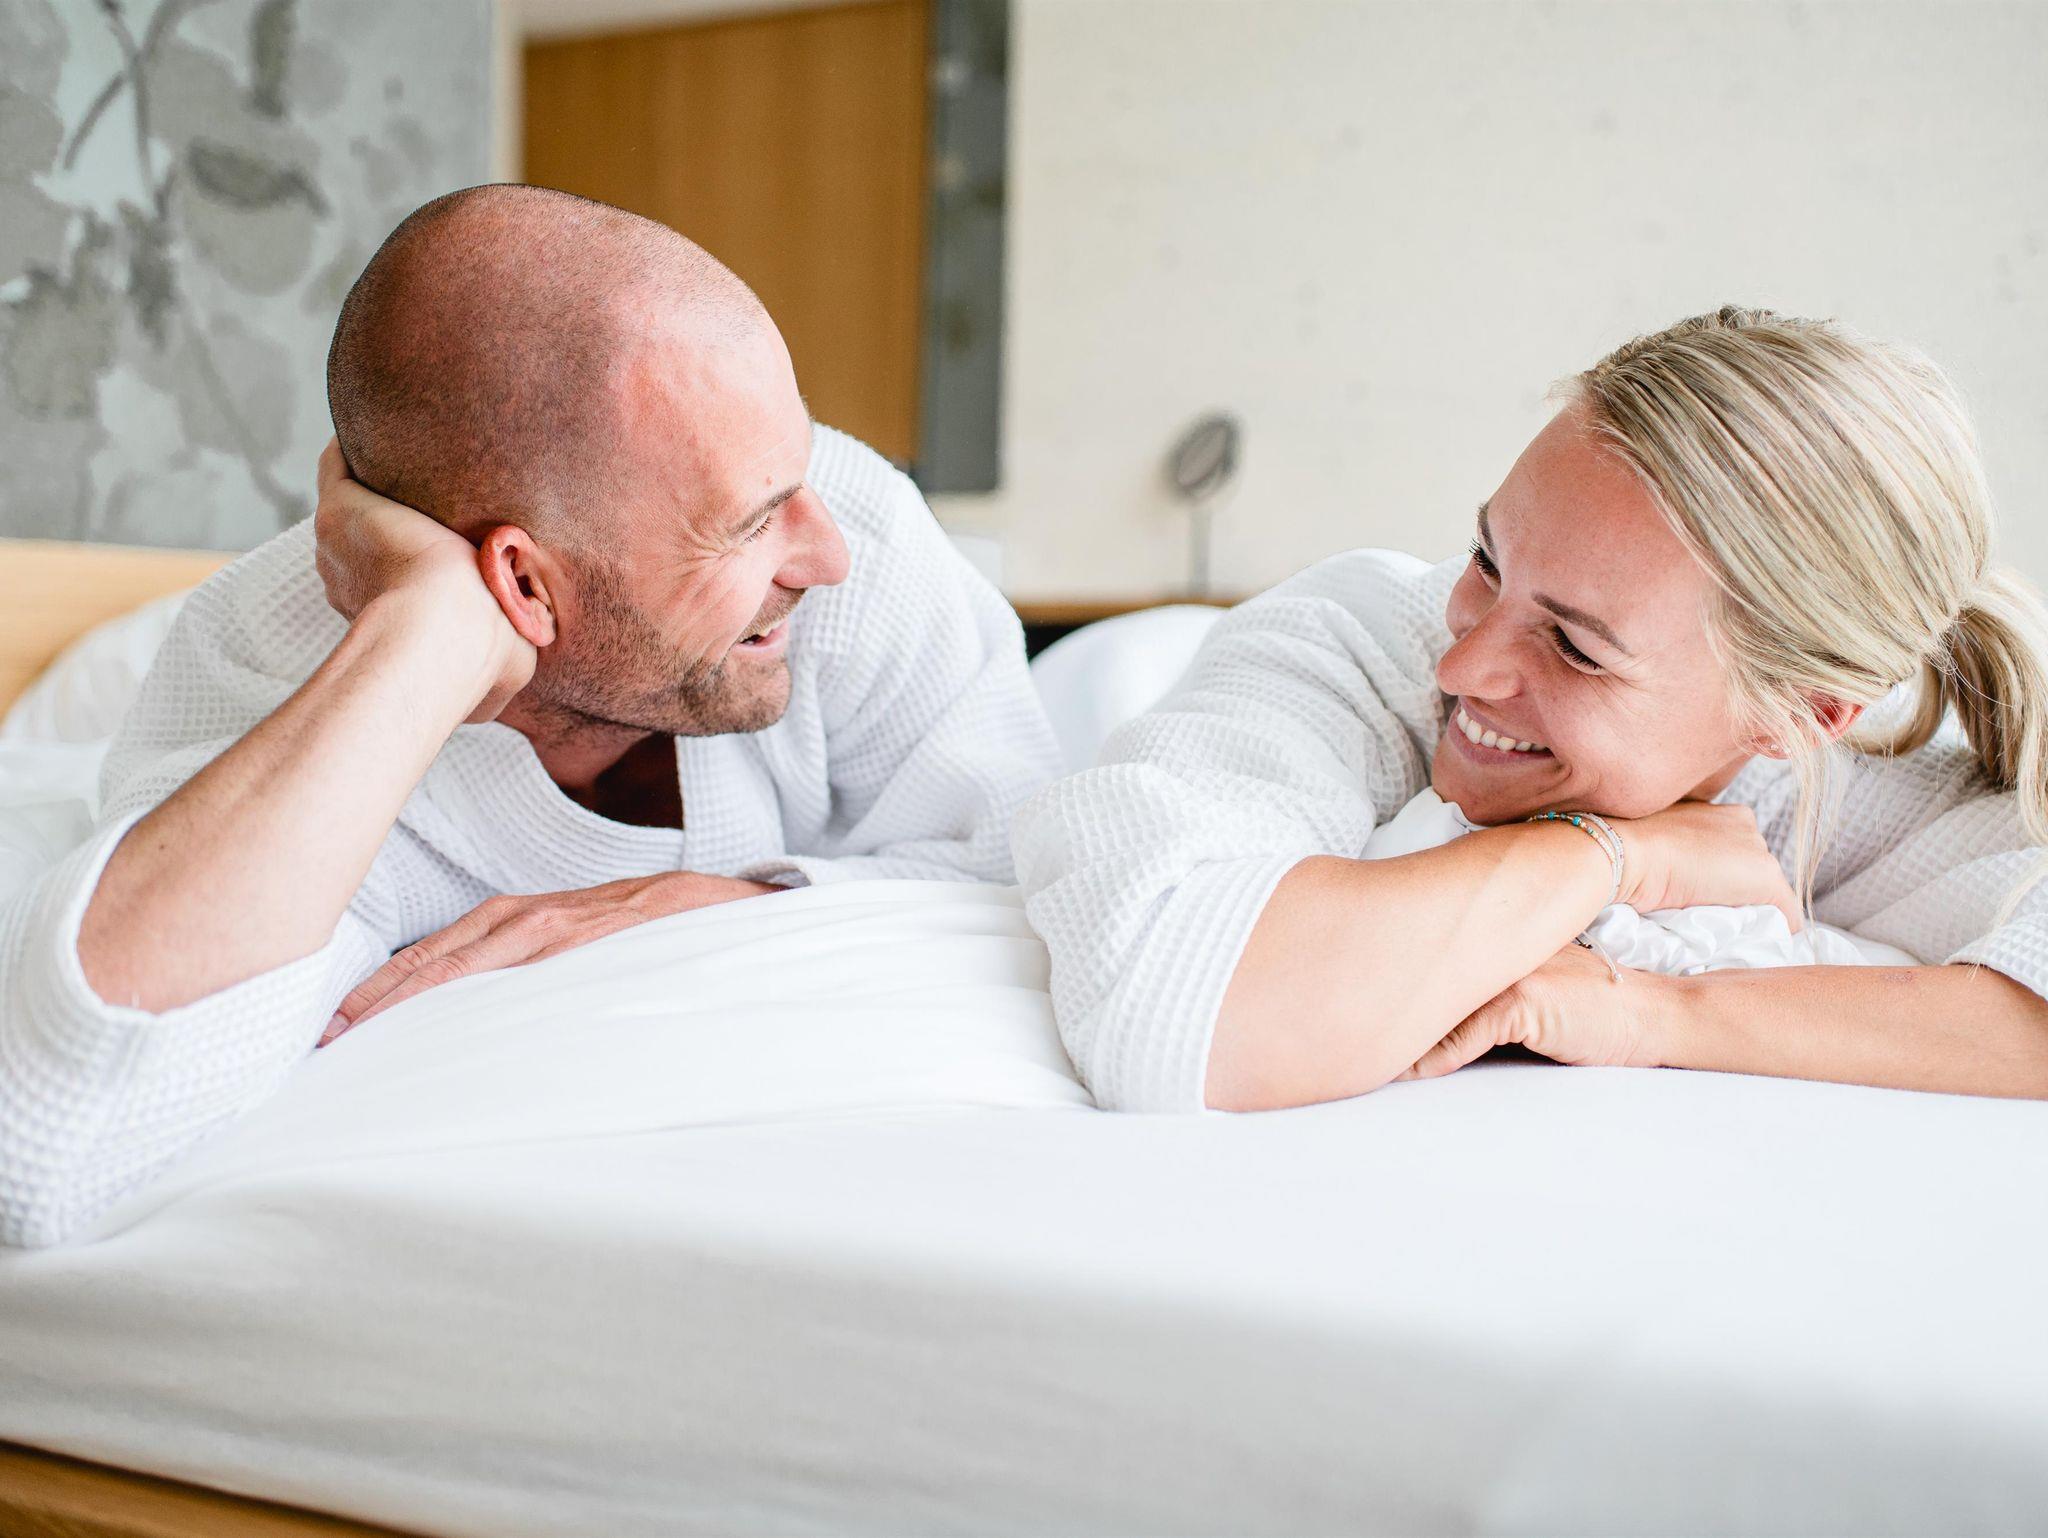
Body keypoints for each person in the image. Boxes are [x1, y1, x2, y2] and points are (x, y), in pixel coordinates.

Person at [0, 185, 1059, 1248]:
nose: (824, 556)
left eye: (802, 469)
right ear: (522, 584)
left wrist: (721, 901)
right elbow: (49, 1145)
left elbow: (1041, 873)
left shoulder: (856, 531)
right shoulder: (264, 671)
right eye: (748, 526)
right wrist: (424, 636)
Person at [1014, 306, 2048, 1113]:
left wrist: (1662, 1012)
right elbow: (1182, 1014)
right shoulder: (1357, 638)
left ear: (1800, 717)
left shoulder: (1895, 776)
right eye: (1486, 560)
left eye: (1575, 647)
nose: (1463, 664)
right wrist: (1610, 852)